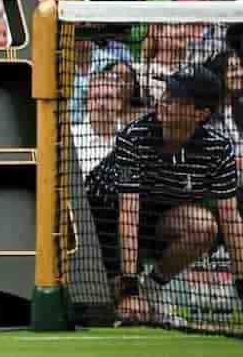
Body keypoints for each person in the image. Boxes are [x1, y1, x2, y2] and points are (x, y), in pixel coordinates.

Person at [92, 66, 243, 326]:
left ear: (201, 113)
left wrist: (242, 284)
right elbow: (127, 212)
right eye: (167, 93)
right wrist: (128, 288)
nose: (164, 100)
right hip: (103, 227)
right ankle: (127, 286)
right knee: (130, 314)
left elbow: (231, 220)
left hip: (158, 221)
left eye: (177, 98)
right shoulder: (134, 137)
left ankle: (152, 288)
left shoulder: (218, 149)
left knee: (204, 226)